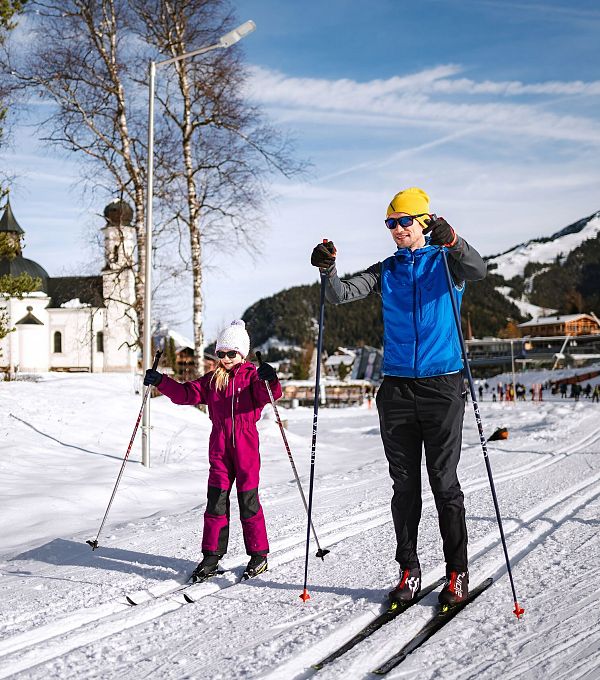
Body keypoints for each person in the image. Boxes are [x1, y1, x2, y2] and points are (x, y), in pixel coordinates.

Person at [311, 187, 486, 606]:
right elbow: (339, 295)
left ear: (424, 222)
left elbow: (478, 269)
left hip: (442, 386)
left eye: (404, 220)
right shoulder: (386, 269)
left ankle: (457, 573)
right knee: (404, 486)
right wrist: (327, 269)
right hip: (396, 389)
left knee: (444, 484)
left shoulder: (448, 263)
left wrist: (454, 241)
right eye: (390, 223)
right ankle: (408, 571)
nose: (397, 229)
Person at [143, 320, 282, 582]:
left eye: (231, 353)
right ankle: (212, 556)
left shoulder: (252, 377)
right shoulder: (212, 380)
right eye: (221, 353)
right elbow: (185, 394)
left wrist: (270, 379)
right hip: (219, 446)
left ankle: (258, 555)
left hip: (246, 445)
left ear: (241, 353)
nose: (226, 358)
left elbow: (270, 395)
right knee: (215, 502)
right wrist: (161, 381)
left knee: (248, 501)